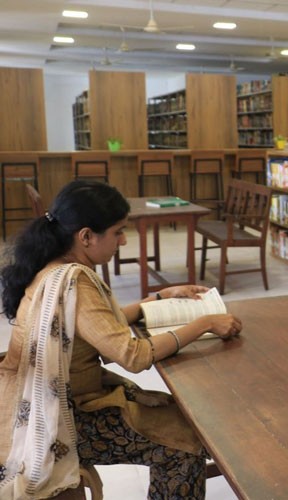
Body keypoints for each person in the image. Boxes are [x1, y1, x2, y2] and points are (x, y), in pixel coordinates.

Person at [0, 180, 243, 499]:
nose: (124, 240)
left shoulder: (52, 267)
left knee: (179, 418)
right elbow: (132, 355)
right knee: (181, 442)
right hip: (64, 418)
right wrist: (205, 324)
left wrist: (158, 298)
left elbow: (98, 326)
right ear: (86, 236)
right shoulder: (75, 281)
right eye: (117, 232)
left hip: (40, 402)